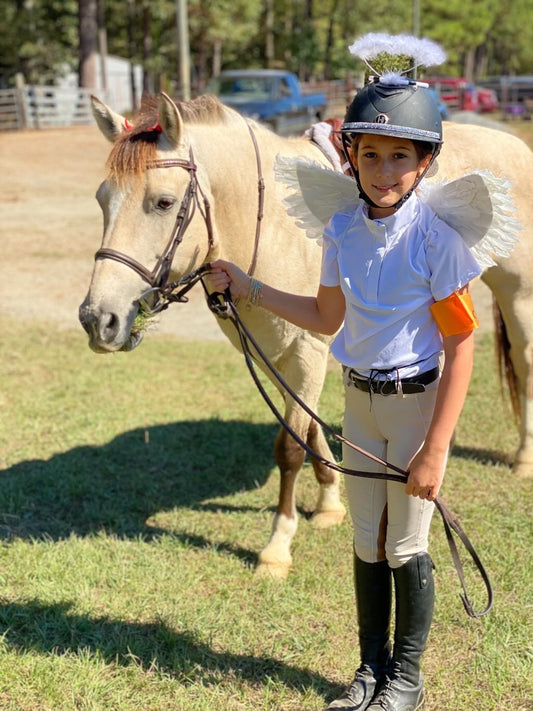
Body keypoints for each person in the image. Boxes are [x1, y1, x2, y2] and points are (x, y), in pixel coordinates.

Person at [206, 44, 482, 711]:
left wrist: (436, 447)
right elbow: (326, 315)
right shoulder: (341, 230)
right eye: (371, 154)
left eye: (400, 156)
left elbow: (460, 341)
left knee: (406, 544)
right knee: (366, 540)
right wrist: (251, 288)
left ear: (425, 163)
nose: (384, 171)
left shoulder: (435, 240)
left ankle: (405, 679)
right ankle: (369, 667)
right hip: (359, 403)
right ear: (349, 153)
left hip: (413, 406)